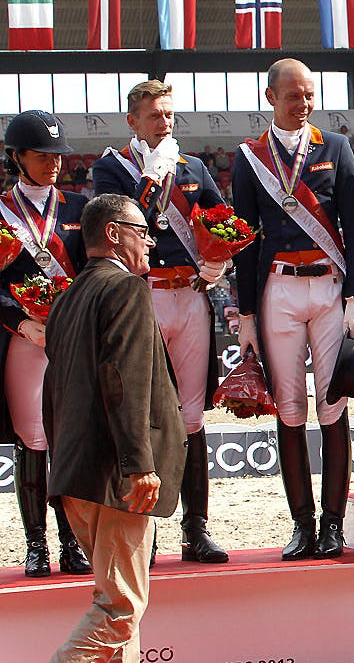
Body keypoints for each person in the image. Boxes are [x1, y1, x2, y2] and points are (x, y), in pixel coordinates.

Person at [233, 58, 354, 560]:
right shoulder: (250, 158)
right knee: (289, 409)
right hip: (279, 291)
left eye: (309, 94)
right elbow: (245, 241)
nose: (303, 103)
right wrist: (245, 314)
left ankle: (333, 524)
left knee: (332, 405)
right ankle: (301, 525)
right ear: (271, 97)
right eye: (293, 95)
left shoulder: (335, 147)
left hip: (330, 288)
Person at [44, 193, 187, 663]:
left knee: (121, 610)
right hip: (117, 478)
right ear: (113, 234)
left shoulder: (66, 300)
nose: (150, 241)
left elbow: (54, 390)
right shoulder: (126, 289)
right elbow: (122, 380)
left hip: (76, 474)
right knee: (119, 608)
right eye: (142, 231)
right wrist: (138, 464)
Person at [92, 79, 230, 564]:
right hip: (140, 297)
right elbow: (121, 230)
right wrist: (151, 181)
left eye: (169, 114)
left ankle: (196, 527)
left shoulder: (192, 166)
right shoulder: (111, 169)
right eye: (154, 115)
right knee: (140, 413)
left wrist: (219, 259)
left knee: (191, 416)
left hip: (189, 295)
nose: (164, 122)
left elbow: (219, 219)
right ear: (132, 121)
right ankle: (140, 532)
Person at [0, 110, 91, 578]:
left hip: (73, 337)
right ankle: (36, 544)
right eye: (41, 155)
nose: (53, 163)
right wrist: (22, 321)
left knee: (71, 439)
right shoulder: (0, 212)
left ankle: (72, 541)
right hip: (25, 339)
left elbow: (95, 269)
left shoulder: (78, 208)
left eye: (57, 155)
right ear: (17, 157)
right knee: (33, 441)